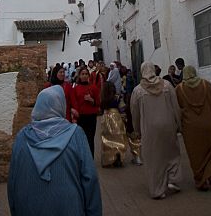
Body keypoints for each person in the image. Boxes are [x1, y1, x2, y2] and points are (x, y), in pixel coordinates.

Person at [7, 86, 102, 216]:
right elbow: (90, 178)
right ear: (61, 105)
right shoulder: (76, 135)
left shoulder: (22, 137)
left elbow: (12, 181)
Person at [131, 61, 182, 199]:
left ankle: (158, 191)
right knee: (172, 152)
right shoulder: (167, 85)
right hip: (168, 125)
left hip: (149, 129)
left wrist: (137, 130)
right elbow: (175, 107)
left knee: (154, 159)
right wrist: (179, 124)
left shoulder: (138, 91)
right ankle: (174, 180)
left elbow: (134, 113)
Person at [176, 66, 211, 191]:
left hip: (190, 127)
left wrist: (178, 126)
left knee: (196, 154)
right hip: (208, 123)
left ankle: (201, 181)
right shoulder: (206, 84)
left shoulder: (179, 89)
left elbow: (177, 109)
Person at [74, 66, 100, 157]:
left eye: (86, 74)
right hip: (81, 117)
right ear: (79, 76)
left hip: (91, 116)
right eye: (82, 74)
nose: (84, 76)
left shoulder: (93, 88)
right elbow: (74, 103)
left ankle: (90, 160)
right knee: (81, 139)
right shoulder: (76, 89)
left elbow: (98, 102)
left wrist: (92, 100)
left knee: (90, 138)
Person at [100, 81, 128, 167]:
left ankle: (108, 160)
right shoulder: (117, 97)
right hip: (116, 118)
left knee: (107, 140)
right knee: (118, 139)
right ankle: (118, 156)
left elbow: (100, 109)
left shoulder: (103, 98)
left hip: (105, 118)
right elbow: (122, 108)